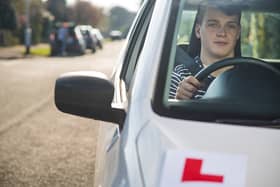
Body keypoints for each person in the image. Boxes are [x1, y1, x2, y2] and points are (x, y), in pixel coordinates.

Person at [169, 4, 241, 100]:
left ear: (238, 33)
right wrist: (178, 100)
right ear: (198, 31)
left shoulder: (252, 77)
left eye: (230, 26)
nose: (222, 33)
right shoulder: (180, 76)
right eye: (213, 24)